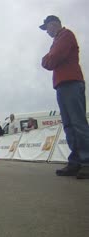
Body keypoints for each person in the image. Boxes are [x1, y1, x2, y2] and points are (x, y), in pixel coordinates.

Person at [40, 15, 89, 178]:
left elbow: (51, 60)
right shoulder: (57, 41)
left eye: (47, 28)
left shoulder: (65, 36)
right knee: (69, 125)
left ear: (54, 25)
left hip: (71, 83)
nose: (47, 32)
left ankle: (86, 161)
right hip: (63, 85)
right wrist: (48, 58)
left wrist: (46, 58)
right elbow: (51, 59)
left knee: (77, 122)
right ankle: (76, 161)